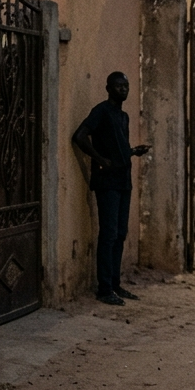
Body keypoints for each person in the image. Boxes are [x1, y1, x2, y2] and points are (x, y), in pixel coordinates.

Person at [73, 71, 151, 306]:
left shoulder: (124, 117)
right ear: (108, 88)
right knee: (108, 234)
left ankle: (115, 284)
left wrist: (133, 152)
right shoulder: (101, 111)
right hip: (107, 182)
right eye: (118, 86)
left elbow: (119, 147)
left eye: (126, 86)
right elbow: (79, 136)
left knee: (119, 233)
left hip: (123, 180)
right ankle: (104, 287)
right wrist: (99, 159)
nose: (123, 90)